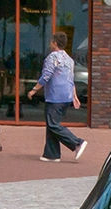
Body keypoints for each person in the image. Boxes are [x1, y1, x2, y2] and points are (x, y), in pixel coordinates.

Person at [26, 31, 86, 163]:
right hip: (66, 97)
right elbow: (71, 78)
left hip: (55, 97)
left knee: (53, 124)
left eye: (51, 41)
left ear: (54, 43)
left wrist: (34, 90)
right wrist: (74, 96)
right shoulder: (69, 59)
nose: (50, 43)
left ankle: (77, 143)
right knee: (52, 124)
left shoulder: (52, 58)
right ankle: (51, 154)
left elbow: (46, 76)